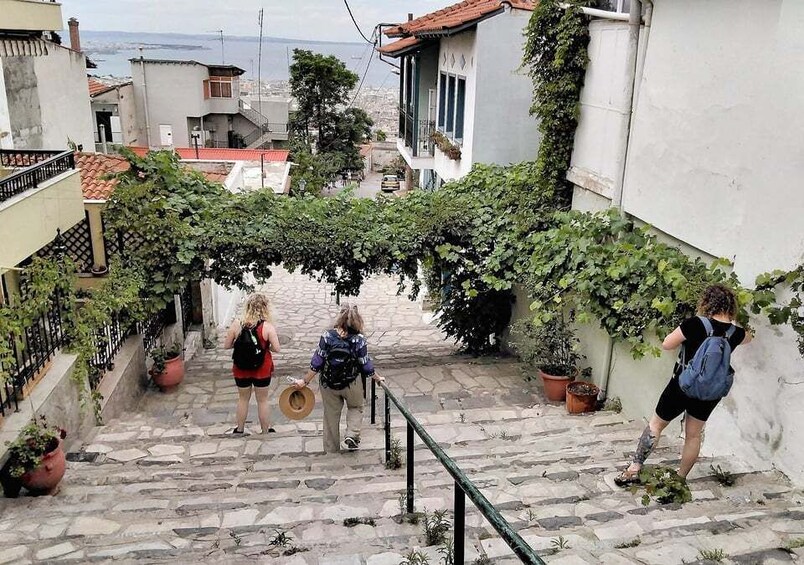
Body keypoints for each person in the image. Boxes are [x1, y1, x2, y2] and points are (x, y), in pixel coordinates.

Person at [615, 284, 753, 486]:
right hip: (709, 393)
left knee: (656, 425)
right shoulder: (736, 333)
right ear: (731, 306)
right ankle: (680, 479)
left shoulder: (696, 324)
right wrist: (734, 324)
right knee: (693, 435)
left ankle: (634, 468)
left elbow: (667, 344)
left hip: (681, 385)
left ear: (707, 303)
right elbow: (750, 338)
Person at [293, 304, 383, 453]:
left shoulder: (327, 336)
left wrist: (304, 381)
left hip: (329, 383)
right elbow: (366, 365)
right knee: (356, 407)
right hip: (351, 382)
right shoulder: (359, 339)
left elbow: (317, 362)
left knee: (330, 415)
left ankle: (331, 450)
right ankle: (352, 435)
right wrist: (378, 379)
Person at [224, 293, 281, 435]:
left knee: (243, 399)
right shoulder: (267, 327)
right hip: (262, 368)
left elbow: (226, 345)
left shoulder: (237, 324)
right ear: (266, 308)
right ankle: (265, 430)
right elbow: (277, 348)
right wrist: (265, 347)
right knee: (262, 400)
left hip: (241, 368)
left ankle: (240, 429)